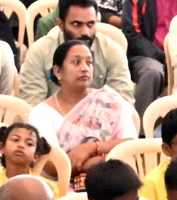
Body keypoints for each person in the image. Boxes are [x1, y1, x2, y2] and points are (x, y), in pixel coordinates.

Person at [29, 39, 138, 186]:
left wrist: (92, 147)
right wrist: (92, 164)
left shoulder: (108, 101)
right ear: (58, 71)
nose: (85, 68)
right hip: (62, 188)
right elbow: (52, 165)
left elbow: (131, 146)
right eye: (76, 62)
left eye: (89, 62)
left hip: (113, 185)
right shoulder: (42, 113)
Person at [21, 0, 136, 107]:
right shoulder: (40, 51)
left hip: (102, 117)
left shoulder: (112, 51)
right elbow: (32, 104)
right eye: (76, 24)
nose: (85, 32)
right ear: (61, 25)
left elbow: (123, 104)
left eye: (90, 24)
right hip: (51, 117)